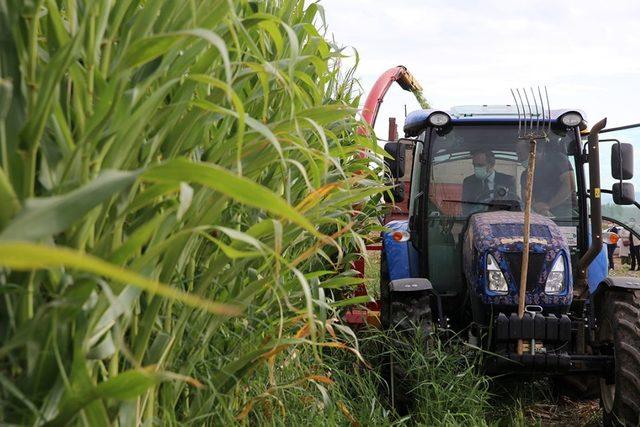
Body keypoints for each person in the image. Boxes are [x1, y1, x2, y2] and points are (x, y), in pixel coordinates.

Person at [517, 142, 576, 217]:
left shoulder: (558, 160)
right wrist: (536, 207)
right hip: (537, 213)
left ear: (533, 151)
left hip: (563, 213)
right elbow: (526, 198)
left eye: (520, 154)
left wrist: (548, 206)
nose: (519, 160)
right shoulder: (525, 175)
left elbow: (569, 185)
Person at [461, 149, 516, 215]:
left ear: (491, 165)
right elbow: (466, 208)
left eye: (480, 165)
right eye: (474, 165)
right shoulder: (469, 182)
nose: (476, 168)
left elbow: (513, 206)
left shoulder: (508, 180)